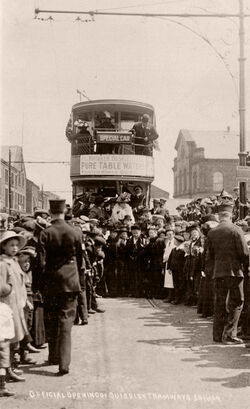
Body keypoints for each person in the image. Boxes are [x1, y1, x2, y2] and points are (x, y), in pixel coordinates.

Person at [38, 199, 82, 375]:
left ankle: (53, 356)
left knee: (51, 320)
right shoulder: (75, 232)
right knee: (66, 323)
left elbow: (40, 263)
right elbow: (79, 260)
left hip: (51, 283)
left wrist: (39, 285)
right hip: (70, 282)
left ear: (50, 212)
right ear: (65, 211)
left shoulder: (45, 233)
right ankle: (64, 364)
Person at [207, 203, 249, 344]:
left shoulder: (212, 232)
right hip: (235, 272)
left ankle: (217, 336)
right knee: (237, 302)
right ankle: (231, 334)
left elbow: (210, 255)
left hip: (218, 273)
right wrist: (245, 265)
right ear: (230, 216)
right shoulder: (236, 230)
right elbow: (244, 252)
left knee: (219, 302)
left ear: (219, 217)